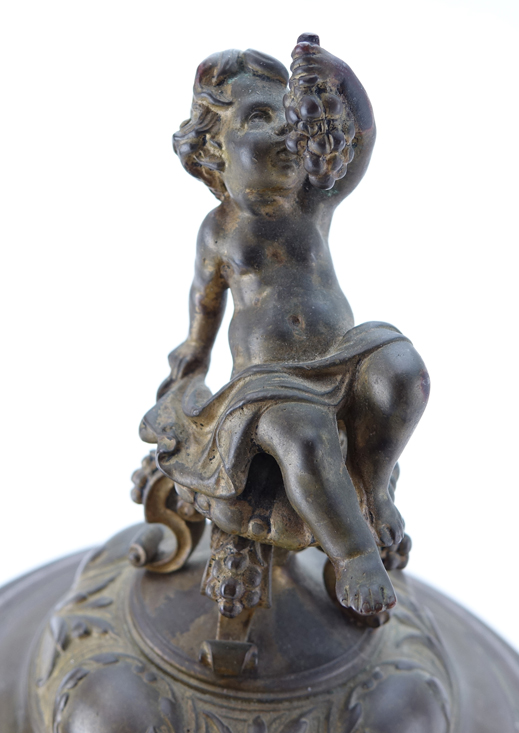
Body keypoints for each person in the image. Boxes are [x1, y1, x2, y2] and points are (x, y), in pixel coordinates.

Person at [140, 37, 430, 616]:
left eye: (289, 116)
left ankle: (374, 490)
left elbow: (362, 142)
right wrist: (194, 351)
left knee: (403, 372)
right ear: (214, 153)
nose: (287, 131)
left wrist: (340, 80)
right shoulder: (219, 232)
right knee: (303, 436)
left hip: (343, 355)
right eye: (259, 118)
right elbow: (205, 299)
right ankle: (355, 555)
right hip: (269, 383)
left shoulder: (313, 202)